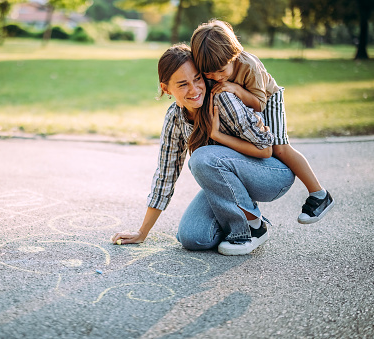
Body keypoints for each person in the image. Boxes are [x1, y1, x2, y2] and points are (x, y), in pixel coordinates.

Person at [111, 44, 295, 255]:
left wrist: (219, 137)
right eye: (182, 84)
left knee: (202, 158)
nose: (194, 89)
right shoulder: (175, 118)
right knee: (193, 237)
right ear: (166, 88)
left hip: (272, 174)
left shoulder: (223, 99)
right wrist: (142, 232)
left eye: (197, 79)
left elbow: (265, 150)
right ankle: (240, 214)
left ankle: (251, 229)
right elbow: (166, 175)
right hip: (229, 183)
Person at [190, 19, 334, 224]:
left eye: (221, 70)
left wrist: (236, 89)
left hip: (268, 97)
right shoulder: (213, 67)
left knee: (280, 148)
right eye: (209, 73)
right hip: (244, 102)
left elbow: (259, 104)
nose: (216, 77)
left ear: (234, 54)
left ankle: (319, 194)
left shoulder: (249, 66)